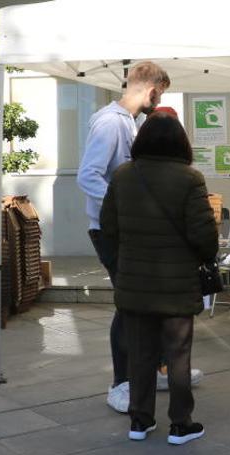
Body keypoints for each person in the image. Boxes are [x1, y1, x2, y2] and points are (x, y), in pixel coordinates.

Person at [77, 62, 202, 413]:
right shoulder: (111, 123)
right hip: (111, 231)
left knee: (147, 300)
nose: (158, 101)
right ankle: (122, 383)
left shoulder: (126, 122)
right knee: (129, 306)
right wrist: (126, 204)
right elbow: (88, 176)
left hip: (123, 228)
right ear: (151, 90)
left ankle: (157, 370)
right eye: (159, 94)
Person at [99, 112, 217, 445]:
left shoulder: (123, 176)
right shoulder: (190, 179)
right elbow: (204, 236)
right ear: (181, 141)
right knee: (178, 355)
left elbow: (108, 227)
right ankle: (181, 424)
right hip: (177, 284)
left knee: (140, 355)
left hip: (134, 282)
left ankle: (140, 420)